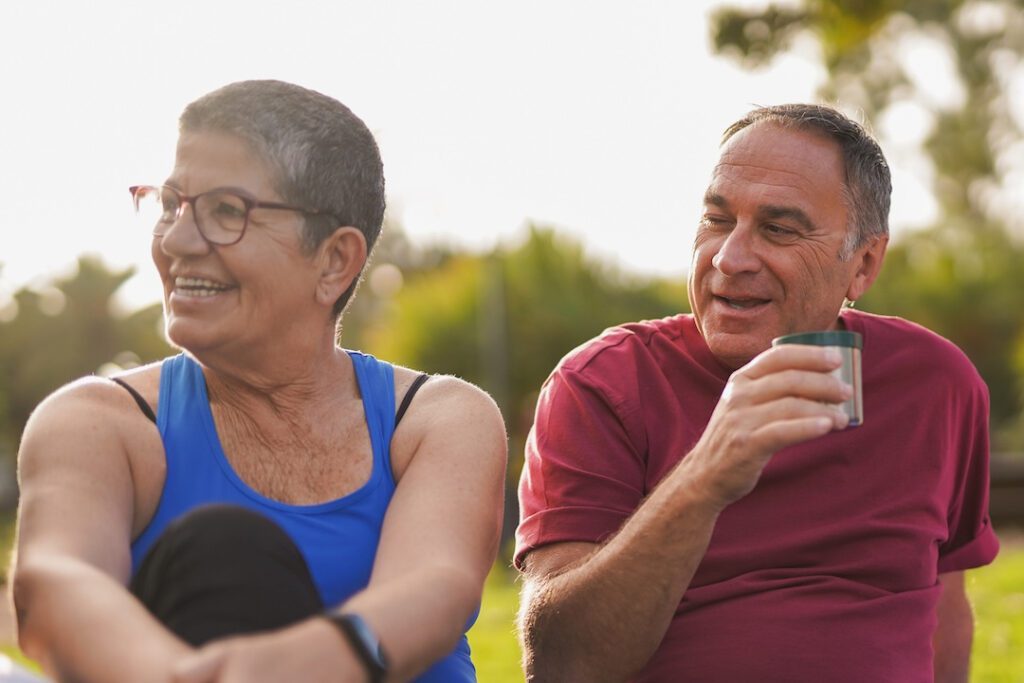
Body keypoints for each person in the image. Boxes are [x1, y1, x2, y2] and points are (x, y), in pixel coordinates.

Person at [11, 80, 507, 683]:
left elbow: (438, 584)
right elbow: (58, 580)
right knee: (220, 553)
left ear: (333, 262)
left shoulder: (438, 417)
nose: (175, 241)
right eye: (170, 203)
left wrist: (294, 665)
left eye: (226, 212)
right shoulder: (95, 423)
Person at [514, 103, 999, 683]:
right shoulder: (604, 383)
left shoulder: (935, 382)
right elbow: (561, 663)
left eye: (779, 229)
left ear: (864, 263)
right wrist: (705, 477)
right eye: (717, 220)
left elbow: (944, 604)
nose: (729, 258)